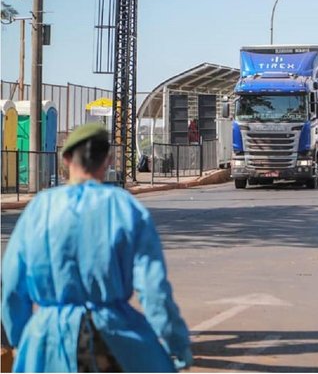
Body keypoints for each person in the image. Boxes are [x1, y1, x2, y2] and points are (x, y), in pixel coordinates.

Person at [2, 123, 193, 372]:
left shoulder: (40, 208)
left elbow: (12, 288)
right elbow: (154, 290)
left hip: (49, 342)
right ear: (108, 160)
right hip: (113, 337)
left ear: (67, 159)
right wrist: (176, 345)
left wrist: (23, 340)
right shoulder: (125, 207)